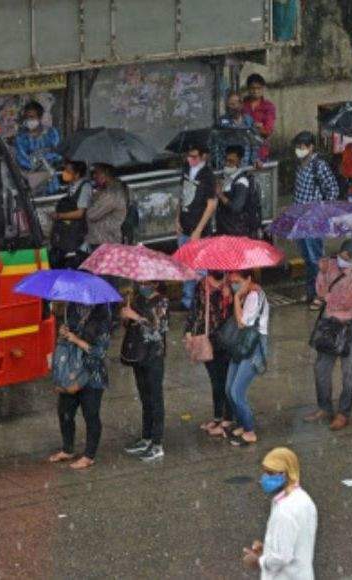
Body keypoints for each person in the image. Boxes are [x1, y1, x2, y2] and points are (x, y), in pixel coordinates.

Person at [304, 240, 352, 431]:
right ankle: (324, 406)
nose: (342, 260)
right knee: (321, 368)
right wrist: (322, 273)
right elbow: (320, 291)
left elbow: (346, 302)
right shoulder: (330, 266)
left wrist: (327, 296)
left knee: (348, 372)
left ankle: (343, 412)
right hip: (329, 324)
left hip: (349, 326)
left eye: (346, 257)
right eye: (341, 255)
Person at [48, 302, 113, 470]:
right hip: (71, 371)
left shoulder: (103, 315)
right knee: (65, 411)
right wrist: (64, 333)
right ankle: (68, 448)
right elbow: (66, 337)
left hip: (92, 374)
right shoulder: (71, 308)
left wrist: (76, 340)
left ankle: (89, 455)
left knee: (91, 414)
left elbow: (100, 352)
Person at [241, 447, 318, 578]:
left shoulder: (285, 511)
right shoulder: (304, 499)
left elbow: (281, 557)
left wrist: (258, 561)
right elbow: (294, 541)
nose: (264, 478)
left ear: (286, 473)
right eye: (265, 472)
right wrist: (267, 548)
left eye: (271, 473)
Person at [121, 282, 169, 462]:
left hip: (154, 355)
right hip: (138, 354)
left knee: (156, 398)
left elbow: (160, 328)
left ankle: (157, 444)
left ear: (155, 282)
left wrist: (137, 316)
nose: (142, 285)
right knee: (144, 397)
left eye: (146, 282)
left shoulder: (162, 301)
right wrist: (126, 316)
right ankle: (146, 437)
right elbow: (129, 324)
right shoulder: (138, 298)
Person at [291, 131, 340, 309]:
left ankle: (321, 295)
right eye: (297, 147)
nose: (299, 150)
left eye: (302, 147)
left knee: (316, 258)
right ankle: (312, 292)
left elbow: (332, 189)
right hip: (300, 218)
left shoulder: (319, 166)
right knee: (307, 257)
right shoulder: (301, 164)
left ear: (311, 147)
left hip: (313, 219)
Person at [186, 271, 235, 438]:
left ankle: (228, 419)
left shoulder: (232, 285)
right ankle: (217, 417)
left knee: (227, 380)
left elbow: (240, 312)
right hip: (208, 339)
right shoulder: (202, 285)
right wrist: (189, 330)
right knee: (215, 380)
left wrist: (230, 297)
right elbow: (195, 309)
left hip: (228, 339)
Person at [226, 270, 270, 447]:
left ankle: (249, 431)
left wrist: (236, 298)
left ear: (248, 279)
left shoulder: (255, 296)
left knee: (237, 391)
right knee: (229, 388)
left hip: (253, 348)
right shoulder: (247, 294)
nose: (234, 284)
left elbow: (241, 323)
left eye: (237, 281)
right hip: (241, 345)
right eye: (232, 281)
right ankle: (242, 424)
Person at [176, 144, 218, 309]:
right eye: (189, 156)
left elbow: (211, 205)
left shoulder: (208, 176)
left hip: (198, 229)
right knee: (185, 266)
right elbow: (182, 195)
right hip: (185, 225)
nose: (190, 159)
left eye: (194, 157)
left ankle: (201, 301)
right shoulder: (186, 169)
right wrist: (177, 219)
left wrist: (198, 230)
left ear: (202, 157)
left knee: (199, 268)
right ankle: (187, 300)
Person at [49, 160, 93, 270]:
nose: (64, 173)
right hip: (67, 234)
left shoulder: (85, 187)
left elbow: (80, 213)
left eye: (68, 171)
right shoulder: (71, 187)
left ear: (77, 174)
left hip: (77, 235)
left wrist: (59, 216)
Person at [217, 145, 258, 237]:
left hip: (236, 231)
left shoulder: (241, 181)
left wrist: (220, 195)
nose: (227, 164)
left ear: (239, 162)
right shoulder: (226, 178)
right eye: (226, 160)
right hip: (224, 228)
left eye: (231, 162)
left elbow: (236, 207)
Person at [85, 163, 127, 250]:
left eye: (97, 173)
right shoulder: (109, 190)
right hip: (103, 240)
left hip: (106, 241)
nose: (94, 176)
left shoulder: (111, 194)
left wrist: (95, 197)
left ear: (106, 173)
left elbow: (91, 214)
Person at [14, 101, 62, 173]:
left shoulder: (51, 133)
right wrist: (40, 164)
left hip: (54, 174)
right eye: (26, 117)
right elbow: (22, 160)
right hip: (33, 177)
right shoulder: (21, 139)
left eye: (31, 117)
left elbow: (59, 152)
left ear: (40, 118)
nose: (28, 120)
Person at [217, 92, 256, 169]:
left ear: (241, 105)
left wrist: (255, 160)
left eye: (233, 104)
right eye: (228, 105)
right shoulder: (222, 121)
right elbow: (218, 145)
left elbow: (254, 143)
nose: (230, 107)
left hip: (246, 165)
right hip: (229, 165)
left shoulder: (248, 120)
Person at [242, 74, 276, 161]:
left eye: (258, 88)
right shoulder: (242, 105)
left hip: (261, 152)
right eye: (253, 88)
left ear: (263, 88)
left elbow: (267, 131)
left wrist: (251, 127)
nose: (255, 91)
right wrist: (256, 127)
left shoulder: (268, 107)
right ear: (248, 89)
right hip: (243, 151)